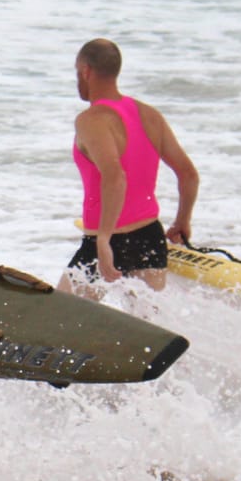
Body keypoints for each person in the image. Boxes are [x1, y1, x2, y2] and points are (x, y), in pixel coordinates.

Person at [63, 37, 200, 294]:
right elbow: (188, 174)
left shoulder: (91, 120)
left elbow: (115, 177)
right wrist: (182, 221)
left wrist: (104, 239)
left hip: (106, 243)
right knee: (148, 328)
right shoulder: (149, 115)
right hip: (150, 238)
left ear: (86, 71)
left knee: (61, 322)